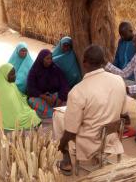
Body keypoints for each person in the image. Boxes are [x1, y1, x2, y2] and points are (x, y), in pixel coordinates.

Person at [54, 45, 127, 175]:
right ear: (103, 61)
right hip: (111, 136)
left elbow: (71, 132)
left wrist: (60, 145)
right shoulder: (119, 80)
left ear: (84, 63)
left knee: (58, 115)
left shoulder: (78, 91)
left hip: (90, 141)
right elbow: (123, 114)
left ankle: (66, 158)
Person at [0, 63, 41, 131]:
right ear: (4, 74)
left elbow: (17, 99)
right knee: (31, 115)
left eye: (14, 73)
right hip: (5, 117)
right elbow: (8, 110)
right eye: (11, 74)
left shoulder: (11, 84)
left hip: (14, 113)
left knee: (31, 113)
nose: (15, 76)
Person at [27, 49, 69, 118]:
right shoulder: (34, 71)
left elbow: (64, 84)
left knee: (68, 98)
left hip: (55, 95)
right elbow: (31, 89)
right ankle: (53, 113)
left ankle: (52, 112)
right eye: (47, 59)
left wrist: (60, 99)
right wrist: (45, 97)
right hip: (41, 97)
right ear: (41, 59)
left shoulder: (55, 68)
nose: (50, 61)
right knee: (32, 101)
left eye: (51, 58)